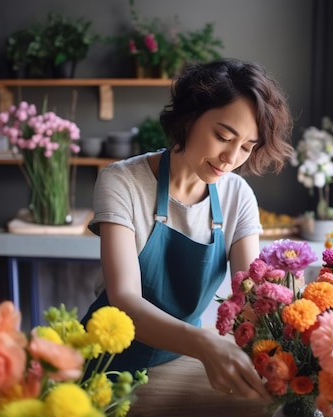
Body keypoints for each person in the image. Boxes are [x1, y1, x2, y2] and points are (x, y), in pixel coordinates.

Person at [81, 57, 294, 400]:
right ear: (190, 117)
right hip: (104, 366)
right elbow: (124, 299)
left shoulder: (236, 195)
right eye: (223, 136)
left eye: (246, 147)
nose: (230, 158)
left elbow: (253, 298)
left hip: (177, 364)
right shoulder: (122, 181)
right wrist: (205, 342)